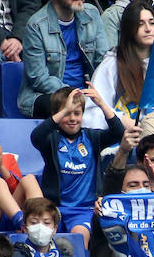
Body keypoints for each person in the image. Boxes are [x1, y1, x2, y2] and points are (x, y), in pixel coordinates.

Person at [32, 86, 127, 244]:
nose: (72, 118)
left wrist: (102, 104)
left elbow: (118, 132)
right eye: (67, 113)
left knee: (79, 236)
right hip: (54, 209)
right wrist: (64, 110)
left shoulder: (91, 137)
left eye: (77, 113)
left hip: (83, 211)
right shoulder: (52, 140)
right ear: (57, 114)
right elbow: (36, 136)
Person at [18, 0, 109, 118]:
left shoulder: (92, 15)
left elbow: (103, 61)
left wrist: (98, 91)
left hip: (87, 91)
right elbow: (38, 78)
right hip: (48, 95)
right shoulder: (36, 26)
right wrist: (75, 94)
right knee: (69, 107)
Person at [90, 0, 154, 128]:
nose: (148, 29)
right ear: (129, 28)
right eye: (140, 24)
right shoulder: (112, 63)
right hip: (123, 137)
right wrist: (124, 122)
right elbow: (93, 112)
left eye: (152, 23)